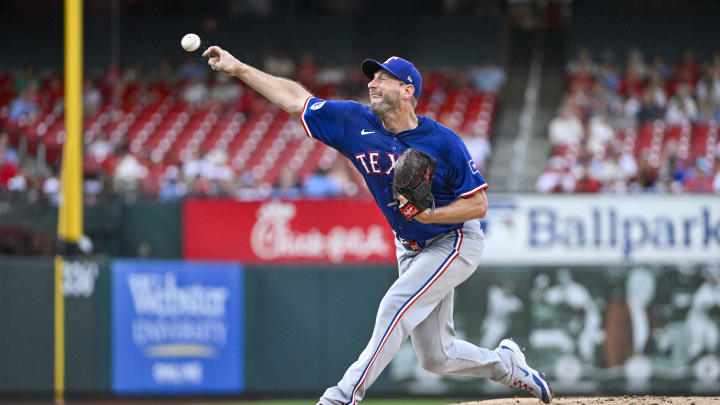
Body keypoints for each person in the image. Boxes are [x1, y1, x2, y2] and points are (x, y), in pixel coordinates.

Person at [203, 46, 553, 404]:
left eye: (383, 78)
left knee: (394, 305)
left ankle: (343, 396)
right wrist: (240, 68)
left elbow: (478, 205)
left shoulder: (443, 142)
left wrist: (429, 215)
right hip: (411, 246)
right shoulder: (355, 121)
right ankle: (506, 364)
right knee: (437, 357)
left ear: (407, 91)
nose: (373, 83)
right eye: (372, 76)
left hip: (455, 239)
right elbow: (297, 100)